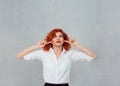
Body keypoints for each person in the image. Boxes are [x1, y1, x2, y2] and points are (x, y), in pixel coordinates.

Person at [17, 28, 96, 86]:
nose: (58, 38)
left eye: (60, 36)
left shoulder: (70, 54)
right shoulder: (44, 53)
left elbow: (93, 56)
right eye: (54, 36)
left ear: (64, 40)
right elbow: (19, 55)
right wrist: (36, 46)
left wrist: (77, 45)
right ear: (50, 40)